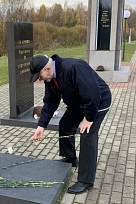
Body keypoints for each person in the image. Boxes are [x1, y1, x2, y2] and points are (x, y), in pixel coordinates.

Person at [29, 54, 111, 194]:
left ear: (47, 68)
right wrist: (41, 126)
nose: (39, 80)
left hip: (97, 102)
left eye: (39, 76)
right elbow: (50, 101)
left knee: (87, 135)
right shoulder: (51, 78)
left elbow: (92, 93)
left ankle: (86, 181)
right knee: (65, 124)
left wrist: (89, 118)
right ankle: (71, 158)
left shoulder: (73, 68)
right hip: (79, 103)